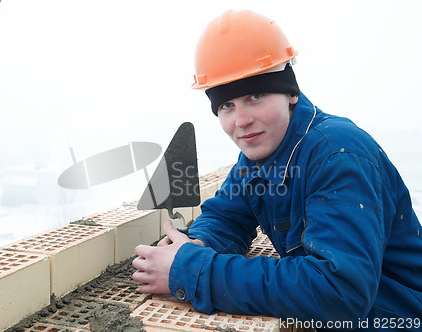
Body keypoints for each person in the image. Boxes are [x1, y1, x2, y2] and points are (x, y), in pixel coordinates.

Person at [132, 9, 422, 330]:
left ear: (290, 92)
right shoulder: (261, 156)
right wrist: (197, 244)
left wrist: (192, 270)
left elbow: (340, 293)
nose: (241, 121)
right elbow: (226, 217)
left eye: (255, 96)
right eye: (227, 105)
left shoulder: (338, 155)